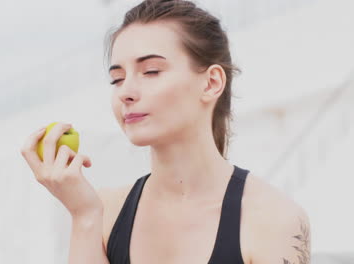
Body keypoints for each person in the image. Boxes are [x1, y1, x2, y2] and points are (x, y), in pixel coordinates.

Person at [21, 0, 311, 263]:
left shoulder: (273, 219)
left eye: (151, 72)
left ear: (211, 83)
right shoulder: (104, 212)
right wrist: (83, 216)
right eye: (117, 79)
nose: (126, 93)